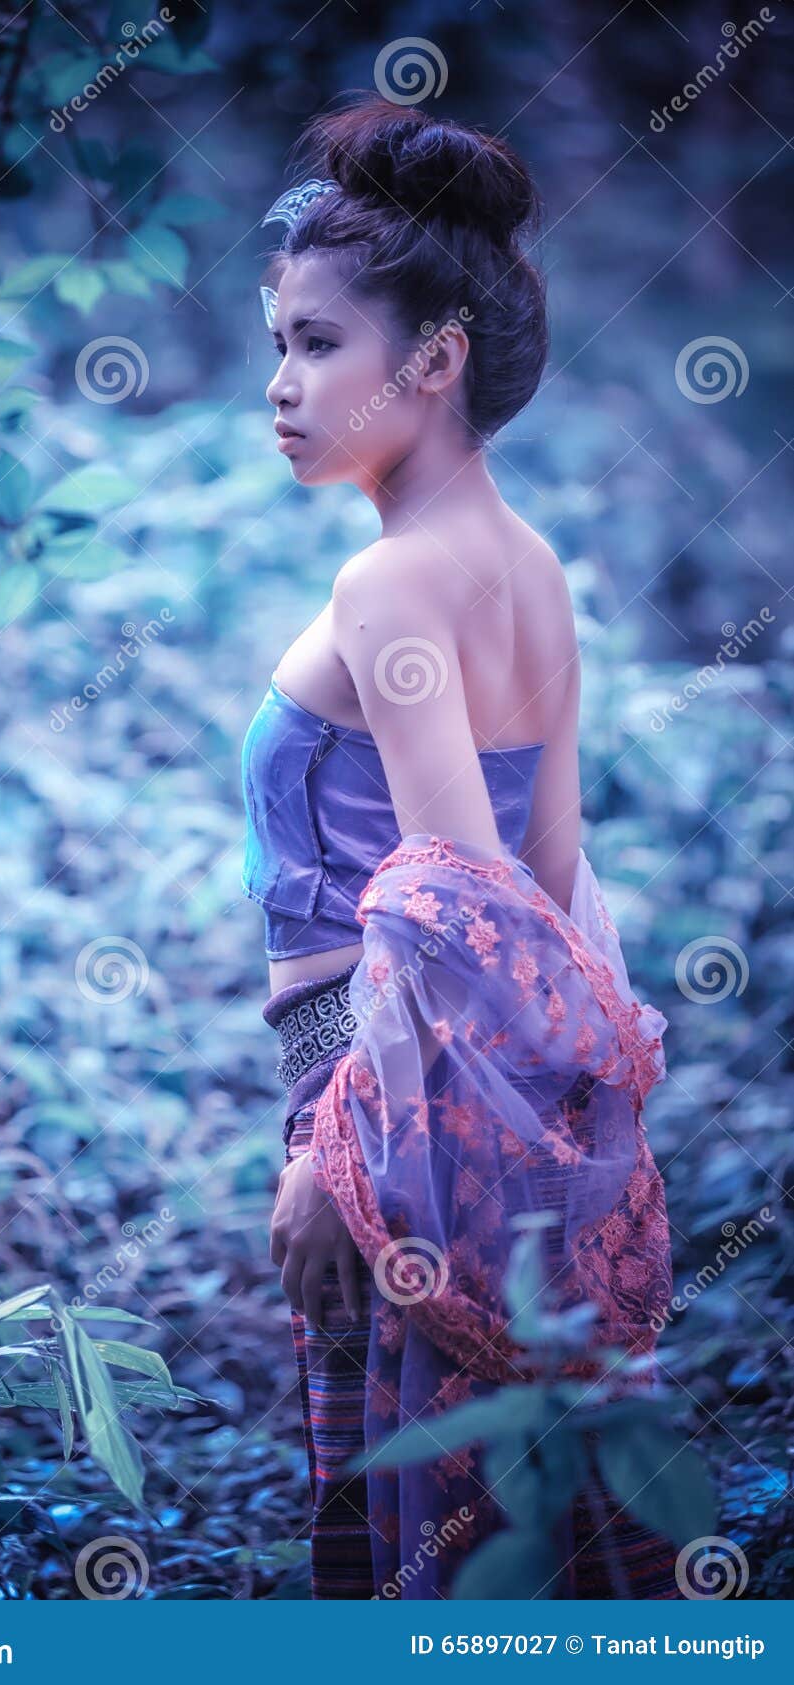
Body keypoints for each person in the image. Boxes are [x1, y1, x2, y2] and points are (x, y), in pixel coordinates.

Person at [240, 95, 678, 1600]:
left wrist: (334, 1158)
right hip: (496, 1096)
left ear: (431, 361)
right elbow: (555, 890)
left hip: (390, 1093)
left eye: (314, 344)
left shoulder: (390, 584)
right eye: (277, 344)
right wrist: (575, 1137)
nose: (279, 386)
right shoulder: (532, 567)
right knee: (493, 1492)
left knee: (417, 1512)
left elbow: (461, 914)